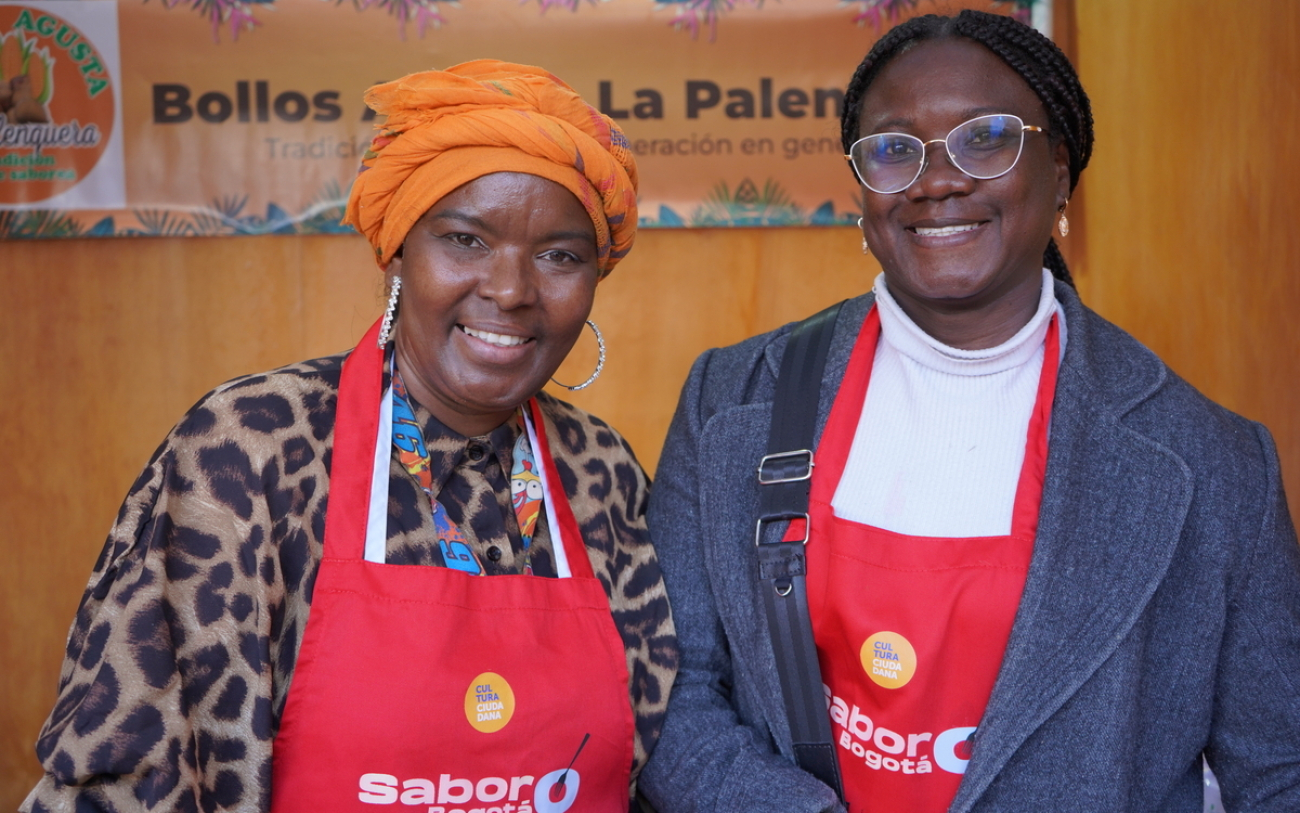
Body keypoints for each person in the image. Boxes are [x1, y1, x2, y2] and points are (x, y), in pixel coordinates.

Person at [639, 11, 1300, 813]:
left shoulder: (1214, 464)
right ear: (861, 189)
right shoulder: (731, 401)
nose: (936, 179)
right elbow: (670, 697)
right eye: (894, 148)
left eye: (985, 138)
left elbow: (1278, 771)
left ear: (1059, 172)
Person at [23, 60, 676, 813]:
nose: (510, 289)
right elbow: (123, 775)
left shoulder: (603, 471)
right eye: (465, 240)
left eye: (559, 255)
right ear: (398, 248)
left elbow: (658, 755)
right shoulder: (251, 449)